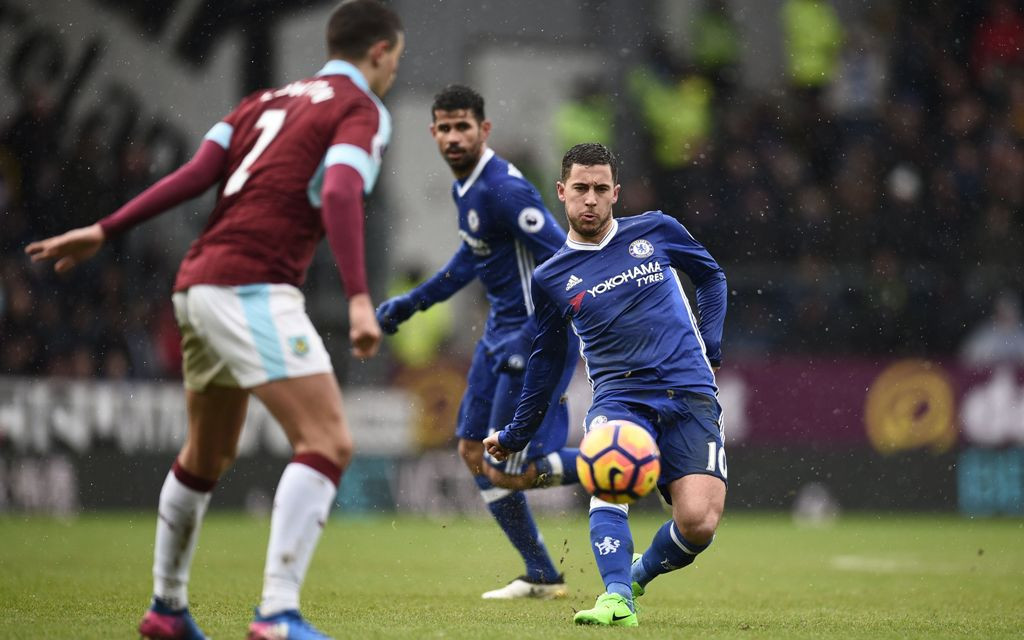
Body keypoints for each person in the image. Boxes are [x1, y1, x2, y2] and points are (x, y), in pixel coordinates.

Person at [25, 2, 404, 638]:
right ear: (381, 52)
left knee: (207, 452)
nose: (394, 68)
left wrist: (106, 228)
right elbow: (340, 191)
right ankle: (277, 614)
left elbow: (198, 174)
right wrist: (361, 298)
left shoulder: (262, 103)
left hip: (197, 286)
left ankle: (166, 608)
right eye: (396, 57)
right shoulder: (360, 109)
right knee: (328, 442)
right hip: (252, 287)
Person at [484, 143, 729, 627]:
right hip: (621, 397)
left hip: (690, 391)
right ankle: (616, 597)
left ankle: (636, 574)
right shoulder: (552, 276)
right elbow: (545, 360)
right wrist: (516, 434)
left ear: (616, 193)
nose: (590, 199)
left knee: (698, 523)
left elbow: (711, 276)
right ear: (562, 192)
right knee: (609, 469)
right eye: (580, 189)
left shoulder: (655, 230)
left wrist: (713, 346)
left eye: (600, 189)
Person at [375, 85, 580, 599]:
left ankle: (635, 460)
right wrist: (412, 302)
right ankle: (541, 574)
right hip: (498, 339)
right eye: (444, 127)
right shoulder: (465, 189)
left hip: (534, 341)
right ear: (433, 133)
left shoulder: (503, 188)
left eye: (462, 126)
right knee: (472, 452)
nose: (453, 136)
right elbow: (469, 260)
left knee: (510, 469)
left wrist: (535, 335)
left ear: (483, 130)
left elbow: (563, 255)